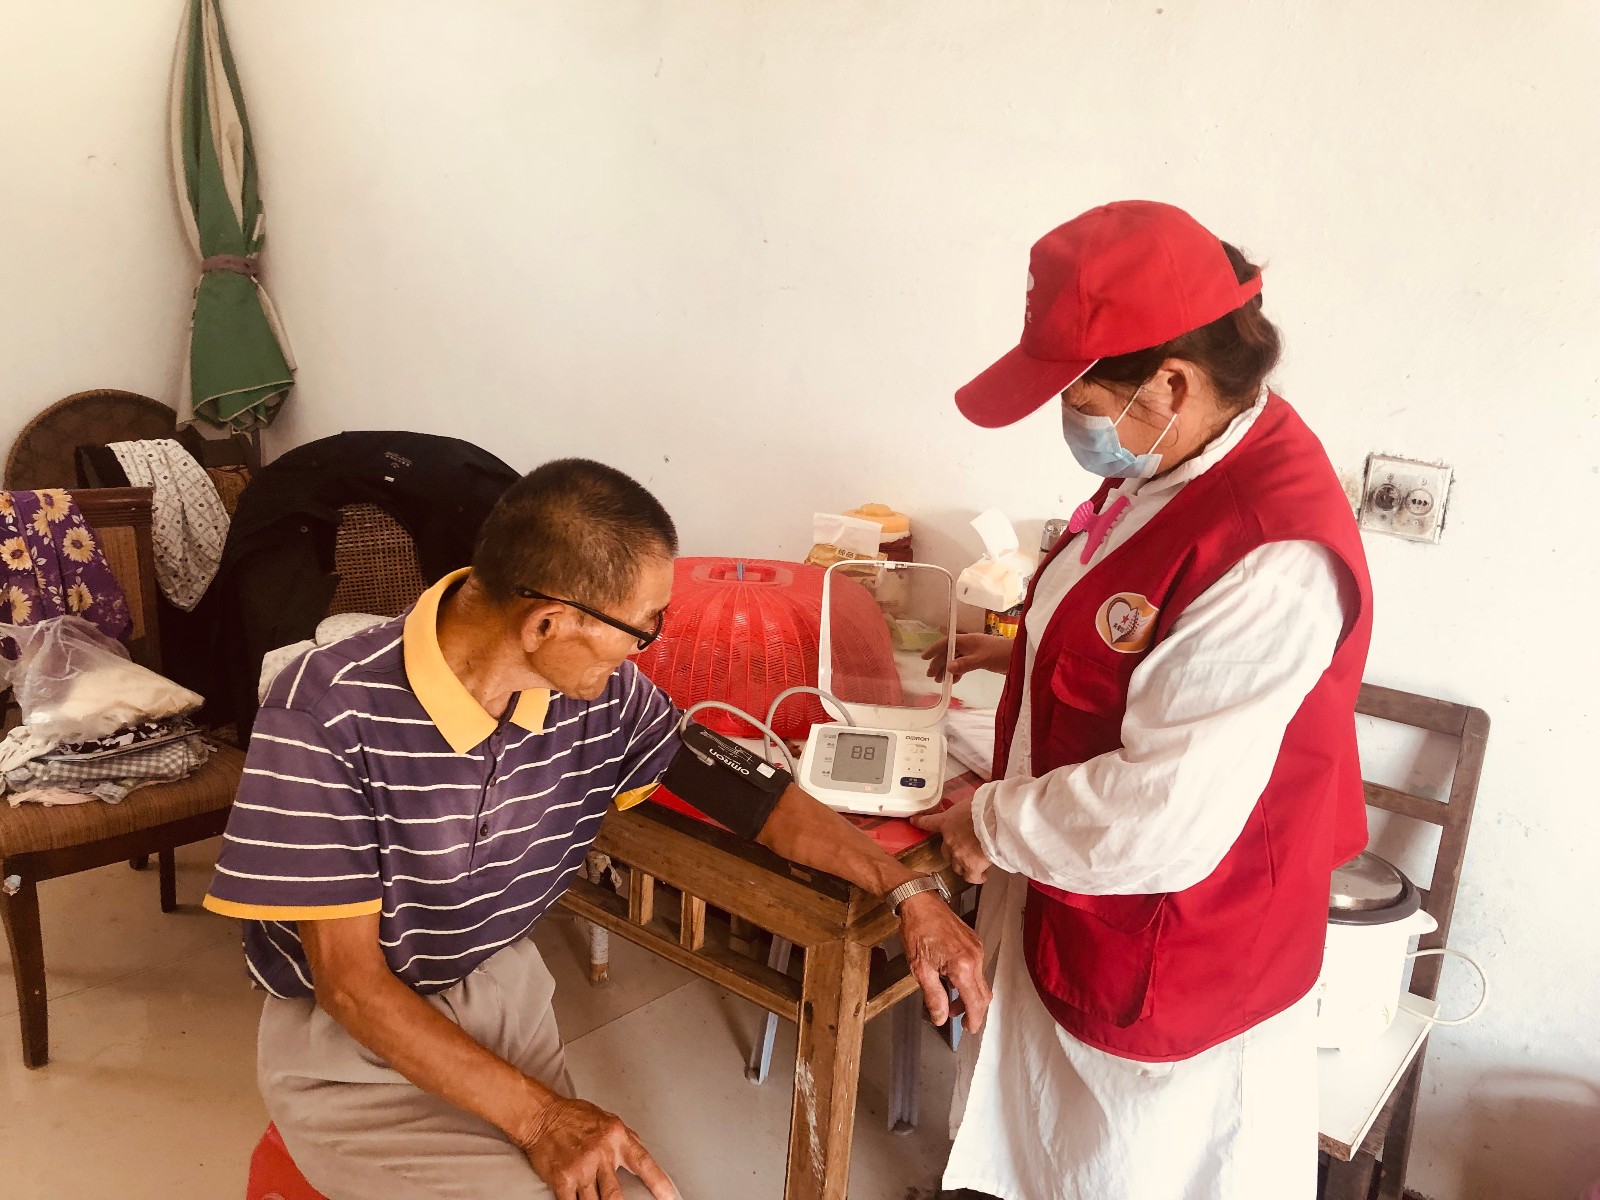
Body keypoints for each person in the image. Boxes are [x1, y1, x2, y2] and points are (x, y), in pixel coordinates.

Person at [203, 457, 989, 1200]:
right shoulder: (325, 712)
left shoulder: (602, 696)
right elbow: (350, 985)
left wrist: (906, 888)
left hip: (497, 985)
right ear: (548, 622)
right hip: (349, 1043)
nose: (651, 644)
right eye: (643, 626)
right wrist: (541, 1120)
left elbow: (742, 790)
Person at [913, 201, 1373, 1200]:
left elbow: (1161, 810)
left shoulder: (1272, 557)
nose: (1070, 421)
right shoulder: (1175, 457)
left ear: (1171, 382)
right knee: (1047, 1155)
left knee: (1127, 1172)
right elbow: (1125, 641)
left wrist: (987, 819)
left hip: (1177, 943)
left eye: (1079, 396)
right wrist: (1010, 681)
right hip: (1081, 901)